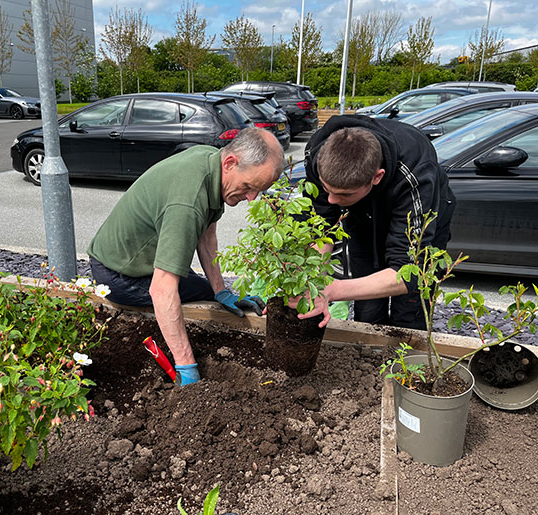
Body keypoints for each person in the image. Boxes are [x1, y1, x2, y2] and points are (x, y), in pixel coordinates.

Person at [88, 128, 284, 385]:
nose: (251, 198)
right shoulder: (188, 203)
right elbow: (162, 291)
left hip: (134, 259)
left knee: (204, 290)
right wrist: (187, 366)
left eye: (259, 190)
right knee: (186, 292)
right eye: (248, 187)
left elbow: (207, 234)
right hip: (118, 275)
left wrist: (220, 290)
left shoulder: (209, 162)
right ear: (230, 163)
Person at [289, 115, 456, 330]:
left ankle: (405, 356)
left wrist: (332, 290)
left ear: (377, 177)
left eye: (342, 194)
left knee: (409, 311)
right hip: (362, 218)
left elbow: (410, 271)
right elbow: (323, 226)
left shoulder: (415, 171)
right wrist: (313, 283)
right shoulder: (318, 153)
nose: (331, 200)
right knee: (368, 309)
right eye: (326, 190)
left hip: (423, 216)